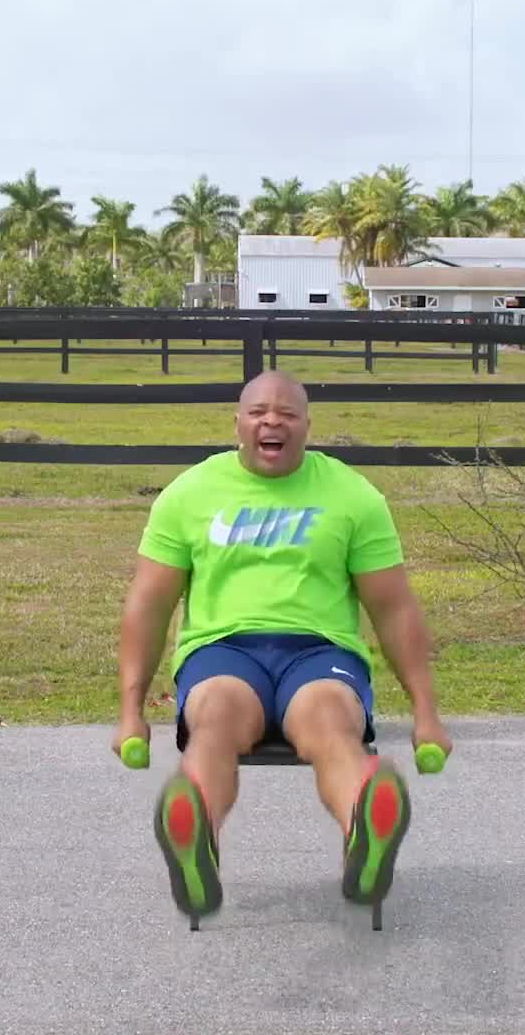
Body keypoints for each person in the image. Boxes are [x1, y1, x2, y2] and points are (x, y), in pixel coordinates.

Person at [113, 370, 452, 922]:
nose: (272, 422)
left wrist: (427, 713)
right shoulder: (190, 494)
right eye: (258, 412)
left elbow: (394, 608)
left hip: (320, 653)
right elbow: (147, 607)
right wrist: (129, 712)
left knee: (327, 720)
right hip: (223, 650)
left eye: (287, 414)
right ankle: (193, 827)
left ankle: (366, 825)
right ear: (238, 425)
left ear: (307, 427)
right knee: (217, 715)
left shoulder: (351, 495)